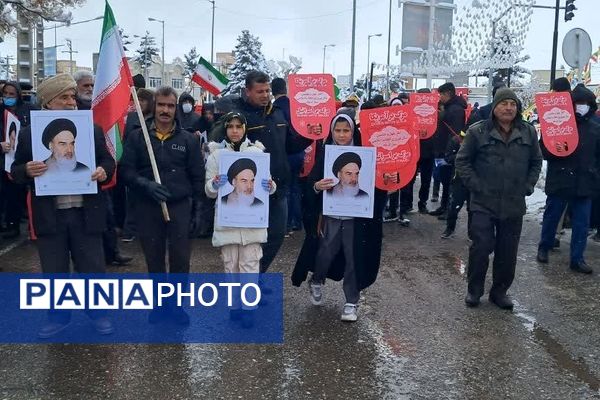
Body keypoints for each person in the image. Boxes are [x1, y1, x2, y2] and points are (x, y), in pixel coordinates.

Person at [11, 73, 116, 337]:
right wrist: (27, 170)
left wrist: (103, 171)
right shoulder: (28, 135)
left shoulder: (91, 130)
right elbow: (14, 171)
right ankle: (58, 317)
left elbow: (108, 162)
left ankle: (99, 314)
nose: (72, 101)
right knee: (55, 269)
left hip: (85, 213)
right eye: (64, 97)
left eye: (73, 96)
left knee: (92, 266)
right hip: (50, 215)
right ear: (47, 102)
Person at [120, 86, 205, 325]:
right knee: (154, 259)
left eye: (170, 105)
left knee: (180, 260)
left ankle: (177, 307)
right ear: (153, 106)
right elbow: (125, 171)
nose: (165, 110)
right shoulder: (138, 136)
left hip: (179, 205)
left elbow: (198, 178)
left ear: (175, 108)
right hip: (148, 205)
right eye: (161, 105)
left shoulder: (187, 139)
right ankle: (159, 306)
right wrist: (144, 184)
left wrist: (199, 211)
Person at [214, 70, 311, 275]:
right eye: (260, 91)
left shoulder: (277, 113)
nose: (266, 95)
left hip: (277, 188)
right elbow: (224, 143)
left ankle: (255, 275)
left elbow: (291, 145)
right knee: (248, 241)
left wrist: (309, 136)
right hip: (250, 188)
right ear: (248, 91)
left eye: (267, 90)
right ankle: (245, 281)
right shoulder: (238, 116)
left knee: (276, 236)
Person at [292, 113, 386, 322]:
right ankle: (317, 280)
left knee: (354, 257)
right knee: (325, 252)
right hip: (331, 216)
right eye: (338, 130)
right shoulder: (326, 154)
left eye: (346, 130)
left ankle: (351, 301)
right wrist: (317, 186)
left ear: (354, 132)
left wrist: (386, 181)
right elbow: (311, 183)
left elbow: (377, 186)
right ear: (331, 131)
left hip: (357, 219)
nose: (342, 135)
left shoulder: (367, 155)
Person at [455, 87, 542, 310]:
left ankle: (500, 291)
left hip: (513, 202)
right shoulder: (478, 131)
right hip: (483, 202)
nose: (509, 108)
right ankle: (474, 290)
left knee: (507, 250)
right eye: (504, 103)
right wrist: (476, 186)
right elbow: (462, 161)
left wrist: (528, 185)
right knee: (481, 247)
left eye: (513, 104)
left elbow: (536, 162)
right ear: (495, 107)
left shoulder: (528, 132)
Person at [204, 112, 275, 326]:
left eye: (239, 126)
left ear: (245, 128)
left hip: (252, 223)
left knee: (250, 264)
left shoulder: (257, 153)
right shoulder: (217, 155)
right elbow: (208, 190)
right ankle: (234, 306)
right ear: (225, 129)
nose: (235, 131)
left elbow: (268, 185)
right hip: (228, 222)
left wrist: (270, 186)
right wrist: (215, 184)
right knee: (231, 266)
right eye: (231, 126)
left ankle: (248, 309)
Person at [536, 85, 600, 274]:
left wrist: (595, 174)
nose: (582, 106)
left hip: (585, 182)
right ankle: (544, 247)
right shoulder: (557, 123)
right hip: (561, 179)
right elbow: (544, 150)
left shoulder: (596, 128)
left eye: (585, 103)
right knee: (552, 217)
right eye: (578, 103)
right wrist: (557, 150)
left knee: (581, 223)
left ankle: (577, 258)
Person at [0, 81, 38, 239]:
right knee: (6, 194)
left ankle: (26, 227)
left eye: (11, 94)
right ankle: (10, 225)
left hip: (24, 158)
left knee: (20, 194)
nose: (8, 97)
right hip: (4, 159)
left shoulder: (29, 110)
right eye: (5, 94)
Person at [430, 82, 467, 217]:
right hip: (443, 149)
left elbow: (455, 134)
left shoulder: (455, 110)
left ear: (448, 94)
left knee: (450, 182)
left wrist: (450, 151)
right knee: (445, 180)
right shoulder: (448, 107)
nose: (440, 98)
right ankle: (444, 206)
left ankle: (449, 211)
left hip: (449, 151)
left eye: (441, 95)